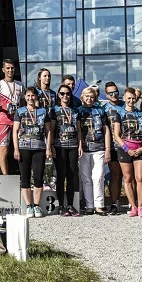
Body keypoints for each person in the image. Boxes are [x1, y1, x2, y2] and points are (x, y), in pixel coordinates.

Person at [14, 87, 51, 218]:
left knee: (38, 177)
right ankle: (29, 206)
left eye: (33, 95)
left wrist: (48, 148)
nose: (30, 98)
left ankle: (36, 205)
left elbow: (48, 131)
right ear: (25, 97)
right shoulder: (20, 111)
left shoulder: (43, 111)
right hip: (23, 147)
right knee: (25, 177)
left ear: (36, 97)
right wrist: (16, 148)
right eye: (28, 95)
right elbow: (15, 130)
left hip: (39, 147)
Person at [113, 88, 142, 217]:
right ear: (124, 98)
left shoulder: (140, 114)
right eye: (128, 98)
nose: (131, 100)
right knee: (128, 179)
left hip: (140, 147)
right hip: (125, 149)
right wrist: (127, 149)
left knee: (140, 178)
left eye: (133, 98)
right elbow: (116, 135)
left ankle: (140, 206)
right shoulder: (119, 113)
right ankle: (133, 206)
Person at [48, 84, 82, 216]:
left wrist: (80, 145)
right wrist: (50, 146)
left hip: (73, 145)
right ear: (59, 95)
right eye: (62, 93)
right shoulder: (54, 110)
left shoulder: (75, 111)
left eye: (67, 93)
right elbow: (50, 129)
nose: (65, 96)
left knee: (72, 175)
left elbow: (79, 129)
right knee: (61, 176)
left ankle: (71, 205)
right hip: (59, 145)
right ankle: (61, 206)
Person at [77, 85, 110, 215]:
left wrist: (107, 149)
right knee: (86, 178)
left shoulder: (100, 111)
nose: (89, 99)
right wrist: (79, 146)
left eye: (92, 96)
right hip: (84, 149)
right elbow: (79, 130)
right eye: (87, 96)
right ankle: (89, 205)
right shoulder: (78, 111)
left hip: (99, 148)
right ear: (82, 98)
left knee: (98, 177)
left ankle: (99, 205)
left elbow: (106, 130)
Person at [0, 59, 23, 175]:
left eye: (12, 68)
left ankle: (23, 175)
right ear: (3, 69)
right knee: (4, 149)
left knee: (21, 149)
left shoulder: (20, 85)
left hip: (17, 121)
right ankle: (6, 177)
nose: (10, 70)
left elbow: (23, 103)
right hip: (3, 121)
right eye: (8, 68)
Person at [101, 81, 125, 215]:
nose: (114, 95)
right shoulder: (104, 109)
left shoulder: (125, 105)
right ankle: (114, 202)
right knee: (115, 175)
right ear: (107, 95)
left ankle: (136, 203)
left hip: (127, 145)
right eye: (111, 93)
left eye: (116, 92)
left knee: (128, 176)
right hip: (113, 146)